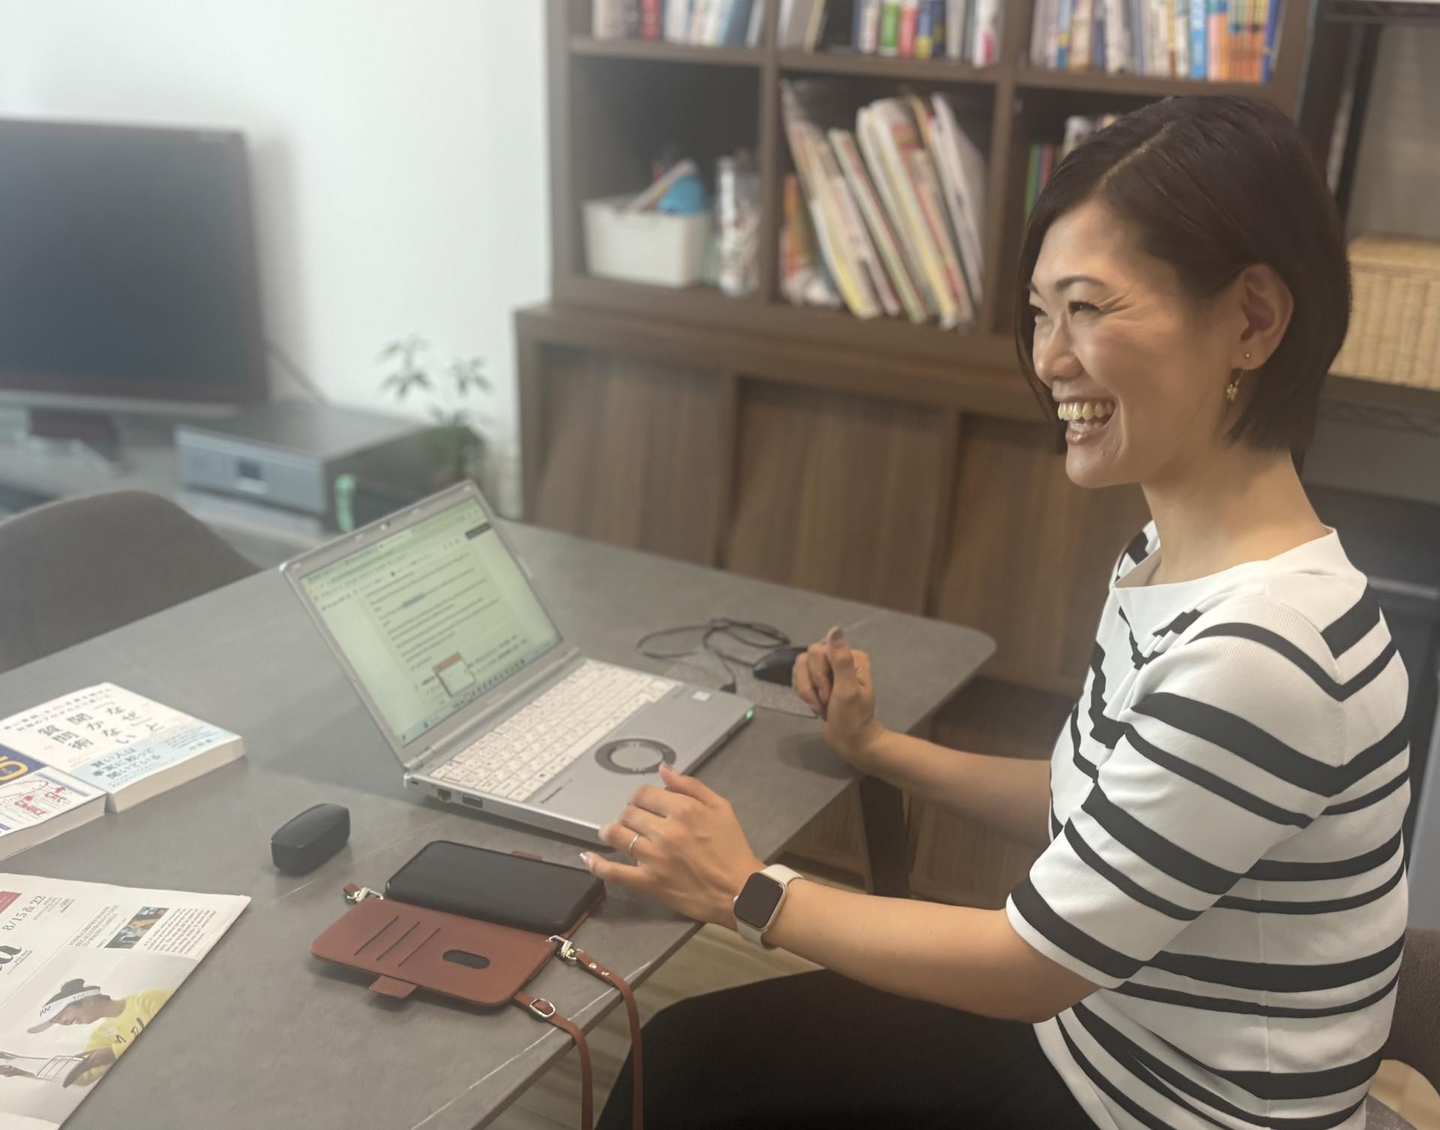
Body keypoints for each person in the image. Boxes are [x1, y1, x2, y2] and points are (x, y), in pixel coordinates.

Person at [582, 94, 1410, 1130]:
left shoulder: (1262, 652)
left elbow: (1030, 966)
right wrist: (879, 748)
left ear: (1252, 319)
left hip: (1153, 1105)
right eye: (1040, 312)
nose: (1049, 358)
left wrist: (746, 889)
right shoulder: (1173, 561)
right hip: (1101, 1046)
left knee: (683, 1075)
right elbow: (1089, 803)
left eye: (1088, 307)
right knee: (687, 1062)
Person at [10, 978, 173, 1087]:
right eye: (56, 1021)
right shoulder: (100, 1036)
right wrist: (25, 1070)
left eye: (61, 1015)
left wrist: (114, 1052)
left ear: (87, 1001)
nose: (64, 1022)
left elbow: (174, 1028)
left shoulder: (148, 999)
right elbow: (83, 1075)